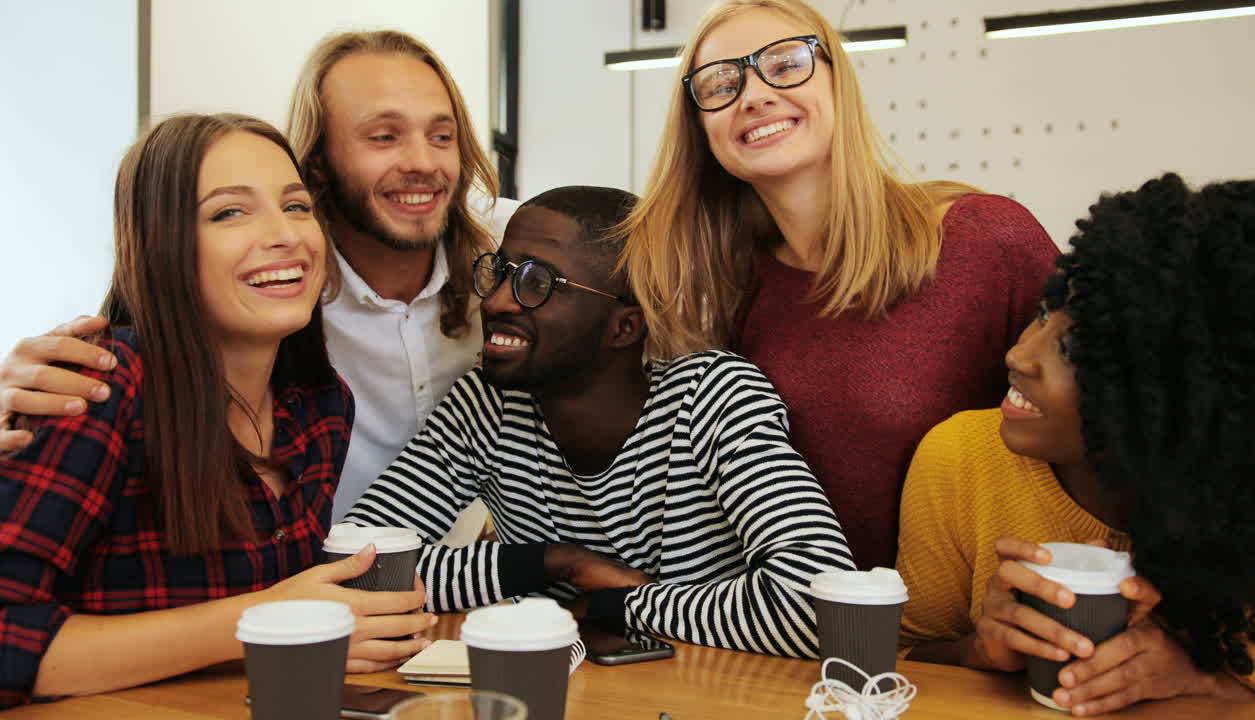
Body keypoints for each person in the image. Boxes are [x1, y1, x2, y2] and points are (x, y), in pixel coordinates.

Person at [0, 114, 433, 709]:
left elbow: (263, 635)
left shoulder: (320, 405)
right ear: (162, 246)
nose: (284, 234)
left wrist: (347, 621)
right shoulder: (97, 385)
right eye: (229, 212)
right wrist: (270, 618)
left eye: (297, 206)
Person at [0, 30, 518, 521]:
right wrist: (25, 401)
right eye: (384, 136)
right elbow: (149, 330)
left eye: (442, 135)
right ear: (315, 163)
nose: (423, 162)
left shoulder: (521, 253)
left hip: (478, 579)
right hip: (321, 586)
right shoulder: (277, 284)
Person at [618, 0, 1059, 570]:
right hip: (789, 638)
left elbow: (1110, 427)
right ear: (700, 127)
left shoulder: (985, 238)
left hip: (974, 640)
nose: (753, 95)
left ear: (838, 81)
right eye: (721, 83)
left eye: (783, 64)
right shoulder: (724, 291)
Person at [344, 185, 857, 659]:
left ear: (624, 326)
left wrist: (619, 605)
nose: (496, 301)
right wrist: (550, 563)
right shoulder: (485, 404)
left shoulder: (714, 397)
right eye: (499, 272)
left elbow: (822, 605)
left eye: (537, 283)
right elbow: (357, 566)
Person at [895, 174, 1255, 714]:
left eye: (1073, 349)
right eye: (1041, 315)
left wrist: (1208, 672)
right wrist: (980, 648)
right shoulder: (961, 459)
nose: (1019, 355)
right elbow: (903, 656)